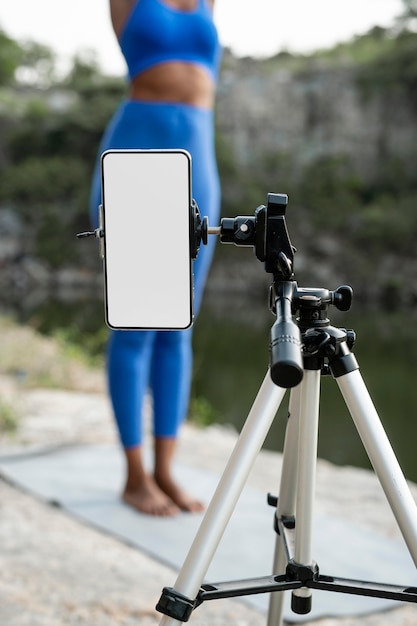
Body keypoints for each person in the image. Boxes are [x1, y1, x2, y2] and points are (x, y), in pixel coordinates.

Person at [89, 0, 222, 516]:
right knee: (136, 324)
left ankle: (166, 468)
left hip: (199, 153)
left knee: (179, 325)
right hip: (138, 152)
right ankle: (134, 475)